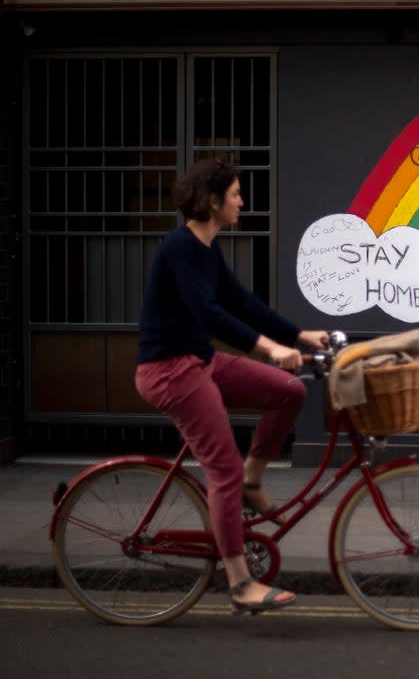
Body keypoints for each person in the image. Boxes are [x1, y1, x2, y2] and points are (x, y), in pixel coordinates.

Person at [134, 158, 328, 615]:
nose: (243, 201)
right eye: (237, 194)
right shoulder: (179, 247)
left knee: (289, 390)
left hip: (199, 360)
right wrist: (266, 347)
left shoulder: (206, 248)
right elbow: (207, 313)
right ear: (214, 200)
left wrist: (297, 335)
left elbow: (240, 302)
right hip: (169, 370)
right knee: (221, 470)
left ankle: (253, 480)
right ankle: (241, 583)